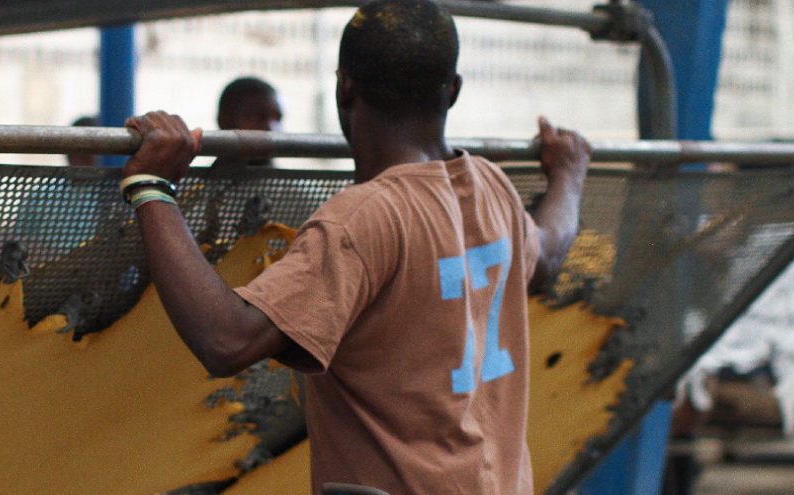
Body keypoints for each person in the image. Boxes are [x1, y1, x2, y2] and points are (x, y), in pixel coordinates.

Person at [116, 0, 590, 492]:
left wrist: (152, 187)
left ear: (345, 85)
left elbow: (228, 341)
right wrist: (570, 174)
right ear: (451, 91)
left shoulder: (363, 219)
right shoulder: (493, 187)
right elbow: (550, 251)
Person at [215, 76, 284, 167]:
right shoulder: (199, 181)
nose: (271, 127)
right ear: (224, 121)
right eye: (258, 117)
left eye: (277, 119)